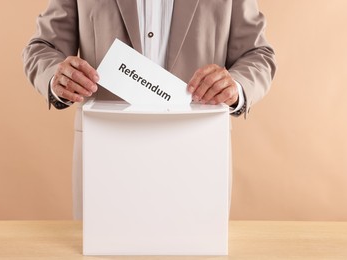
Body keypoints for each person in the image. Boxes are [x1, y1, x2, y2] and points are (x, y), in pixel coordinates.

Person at [23, 0, 276, 219]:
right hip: (106, 152)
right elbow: (43, 47)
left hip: (198, 152)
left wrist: (237, 86)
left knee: (197, 249)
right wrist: (57, 76)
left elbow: (257, 54)